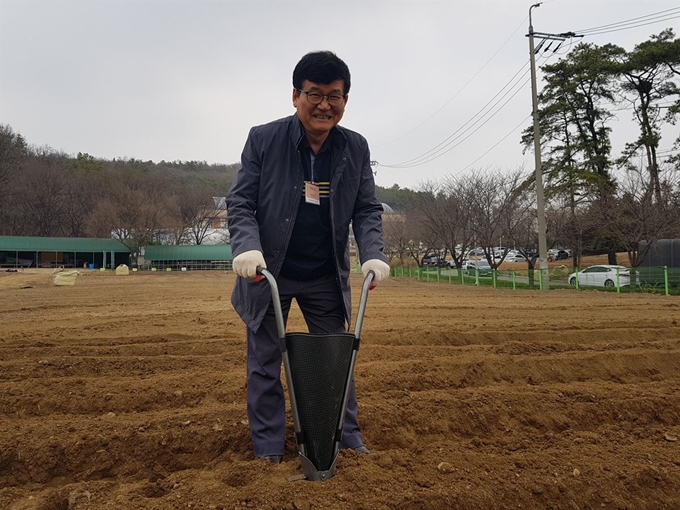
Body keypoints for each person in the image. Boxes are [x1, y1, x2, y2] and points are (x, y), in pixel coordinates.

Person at [226, 50, 391, 464]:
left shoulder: (354, 146)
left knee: (335, 360)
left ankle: (344, 440)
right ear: (296, 96)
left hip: (323, 276)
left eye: (334, 96)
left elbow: (368, 208)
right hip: (270, 272)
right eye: (314, 94)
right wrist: (247, 246)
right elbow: (241, 201)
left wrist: (372, 253)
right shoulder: (264, 139)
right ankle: (267, 451)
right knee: (265, 364)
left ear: (345, 100)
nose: (323, 105)